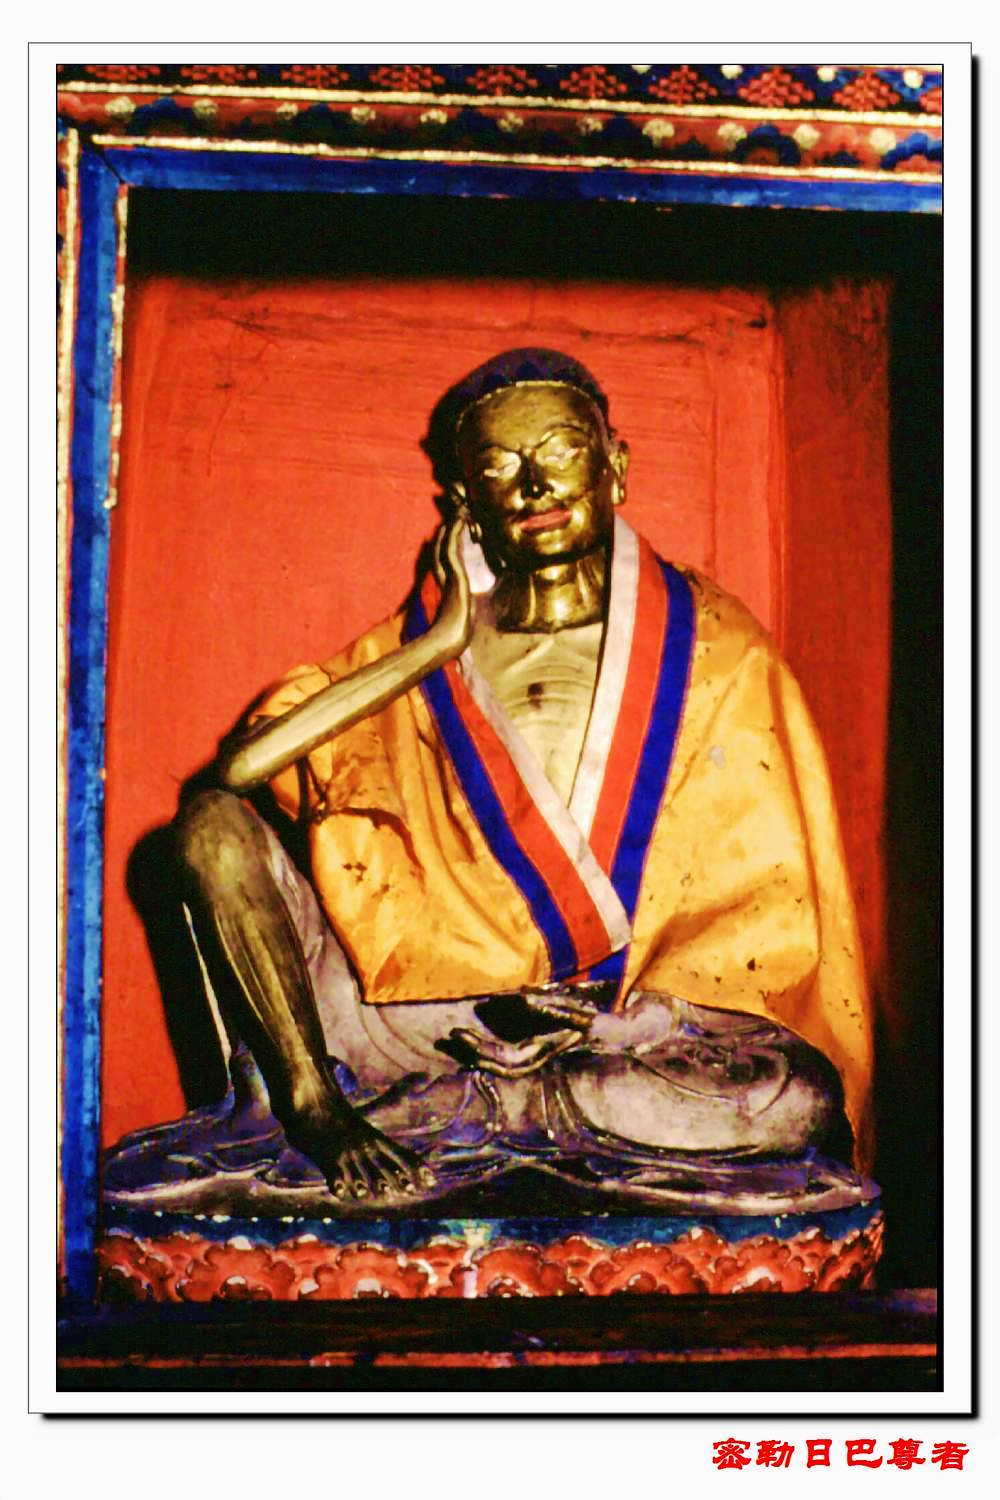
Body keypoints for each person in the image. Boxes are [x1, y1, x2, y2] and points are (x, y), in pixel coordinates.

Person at [173, 349, 873, 1207]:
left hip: (611, 1035)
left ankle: (481, 1117)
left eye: (561, 450)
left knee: (798, 1098)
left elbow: (762, 916)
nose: (535, 485)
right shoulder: (409, 654)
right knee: (209, 827)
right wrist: (437, 645)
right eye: (501, 467)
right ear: (465, 503)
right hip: (424, 1024)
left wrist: (634, 1022)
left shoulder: (717, 650)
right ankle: (319, 1110)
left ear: (616, 468)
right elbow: (237, 771)